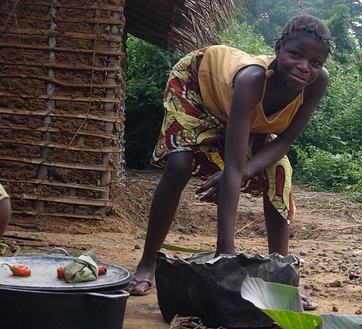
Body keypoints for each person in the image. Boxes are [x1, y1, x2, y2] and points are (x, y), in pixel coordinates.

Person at [127, 14, 333, 310]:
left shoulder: (317, 82)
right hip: (197, 86)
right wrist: (226, 257)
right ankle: (148, 263)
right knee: (178, 168)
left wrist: (242, 171)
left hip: (238, 110)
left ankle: (282, 280)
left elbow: (285, 141)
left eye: (315, 62)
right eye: (296, 54)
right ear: (278, 49)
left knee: (279, 172)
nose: (304, 67)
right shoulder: (252, 80)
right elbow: (233, 166)